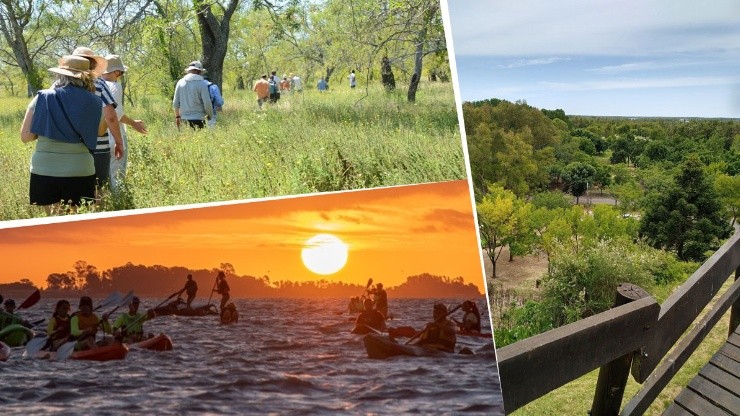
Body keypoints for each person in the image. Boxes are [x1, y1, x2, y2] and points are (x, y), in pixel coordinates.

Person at [20, 55, 102, 214]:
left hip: (45, 168)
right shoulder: (95, 101)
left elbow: (26, 136)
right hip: (80, 168)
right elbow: (98, 132)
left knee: (53, 224)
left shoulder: (43, 97)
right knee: (74, 225)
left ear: (60, 74)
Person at [72, 47, 124, 192]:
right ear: (92, 64)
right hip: (98, 146)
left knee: (74, 192)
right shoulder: (99, 83)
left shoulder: (59, 85)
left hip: (69, 146)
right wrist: (119, 142)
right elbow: (111, 117)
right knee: (99, 189)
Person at [100, 54, 147, 192]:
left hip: (98, 137)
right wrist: (133, 123)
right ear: (115, 72)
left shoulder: (95, 85)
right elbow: (115, 114)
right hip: (114, 135)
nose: (120, 75)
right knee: (117, 175)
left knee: (102, 176)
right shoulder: (114, 86)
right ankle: (119, 205)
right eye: (120, 72)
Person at [173, 60, 214, 130]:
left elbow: (175, 103)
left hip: (184, 119)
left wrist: (177, 117)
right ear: (199, 71)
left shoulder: (180, 83)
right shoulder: (202, 84)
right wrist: (210, 115)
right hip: (199, 119)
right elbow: (207, 103)